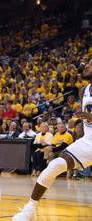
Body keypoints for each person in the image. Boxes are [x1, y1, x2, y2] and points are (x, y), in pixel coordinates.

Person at [13, 59, 92, 220]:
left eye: (91, 64)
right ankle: (30, 209)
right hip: (89, 142)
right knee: (54, 165)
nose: (86, 66)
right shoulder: (84, 90)